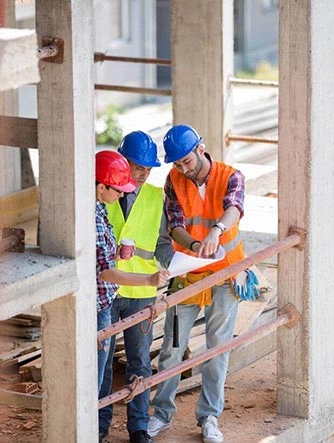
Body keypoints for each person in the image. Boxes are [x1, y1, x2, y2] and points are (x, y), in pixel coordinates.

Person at [148, 124, 246, 443]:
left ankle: (209, 416)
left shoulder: (231, 176)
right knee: (172, 347)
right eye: (176, 164)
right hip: (188, 272)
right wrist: (192, 246)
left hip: (225, 273)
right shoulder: (173, 180)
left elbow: (235, 208)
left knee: (217, 346)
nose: (182, 169)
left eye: (186, 161)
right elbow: (175, 224)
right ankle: (161, 414)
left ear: (200, 150)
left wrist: (216, 231)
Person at [95, 150, 170, 443]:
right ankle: (99, 423)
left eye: (148, 169)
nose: (142, 175)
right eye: (137, 167)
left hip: (140, 293)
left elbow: (163, 242)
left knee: (138, 360)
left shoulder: (154, 197)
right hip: (109, 294)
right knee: (102, 363)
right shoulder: (102, 199)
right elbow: (103, 268)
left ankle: (138, 427)